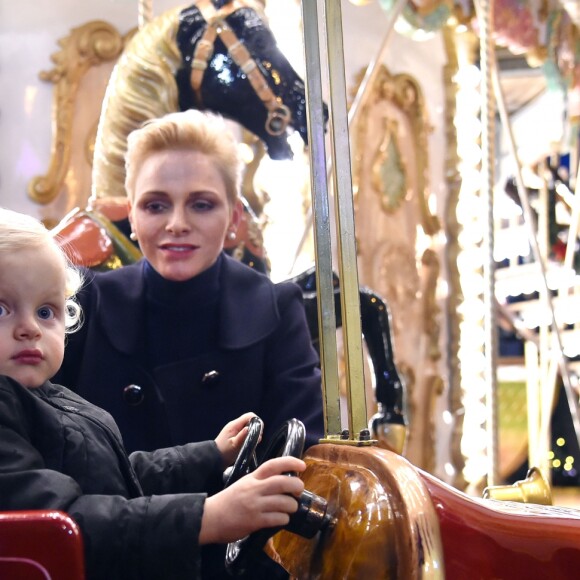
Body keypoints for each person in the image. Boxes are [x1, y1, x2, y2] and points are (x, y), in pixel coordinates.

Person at [0, 207, 306, 580]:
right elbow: (64, 524)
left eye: (46, 311)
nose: (29, 328)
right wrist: (207, 517)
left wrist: (209, 454)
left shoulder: (53, 398)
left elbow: (119, 480)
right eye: (2, 309)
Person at [53, 109, 324, 457]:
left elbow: (303, 459)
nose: (177, 223)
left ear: (234, 218)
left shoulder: (277, 310)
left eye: (201, 204)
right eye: (155, 205)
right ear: (131, 217)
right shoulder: (87, 304)